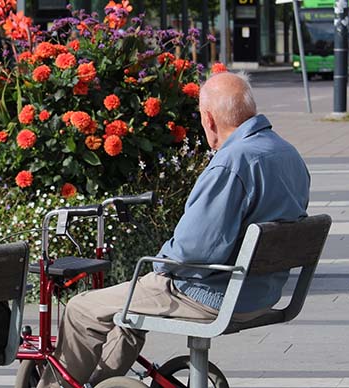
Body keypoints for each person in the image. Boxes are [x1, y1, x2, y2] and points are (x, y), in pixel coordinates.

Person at [37, 72, 310, 388]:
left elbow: (193, 251)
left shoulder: (232, 162)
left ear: (208, 120)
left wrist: (159, 265)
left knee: (81, 309)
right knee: (128, 308)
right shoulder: (287, 153)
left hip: (212, 295)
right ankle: (103, 382)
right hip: (262, 293)